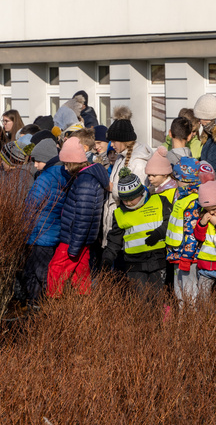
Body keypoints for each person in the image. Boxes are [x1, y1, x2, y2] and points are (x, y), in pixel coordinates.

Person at [47, 138, 109, 297]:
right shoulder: (87, 177)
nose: (66, 168)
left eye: (67, 164)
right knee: (80, 276)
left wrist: (74, 245)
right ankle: (83, 308)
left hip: (74, 238)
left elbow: (84, 216)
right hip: (79, 238)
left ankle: (55, 308)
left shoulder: (85, 181)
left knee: (56, 270)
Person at [102, 169, 173, 294]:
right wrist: (107, 259)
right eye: (125, 200)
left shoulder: (159, 201)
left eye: (132, 198)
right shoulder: (119, 213)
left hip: (157, 260)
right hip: (134, 263)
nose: (129, 203)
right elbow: (114, 240)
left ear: (141, 193)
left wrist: (159, 233)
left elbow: (171, 222)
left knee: (156, 298)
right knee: (139, 300)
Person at [22, 139, 65, 308]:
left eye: (37, 161)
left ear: (46, 160)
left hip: (40, 233)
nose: (35, 166)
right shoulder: (62, 174)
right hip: (53, 232)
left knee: (36, 273)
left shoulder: (45, 178)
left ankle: (36, 306)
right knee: (45, 272)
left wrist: (23, 226)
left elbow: (32, 204)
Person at [103, 106, 152, 247]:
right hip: (116, 218)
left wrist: (111, 187)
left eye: (114, 141)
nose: (111, 145)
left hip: (127, 222)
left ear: (124, 140)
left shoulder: (138, 162)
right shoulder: (121, 157)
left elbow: (136, 195)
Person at [166, 158, 204, 304]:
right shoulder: (182, 197)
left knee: (190, 295)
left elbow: (191, 233)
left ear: (185, 180)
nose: (175, 183)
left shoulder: (194, 201)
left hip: (188, 257)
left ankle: (191, 323)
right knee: (180, 293)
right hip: (178, 253)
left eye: (177, 179)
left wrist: (187, 257)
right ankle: (183, 323)